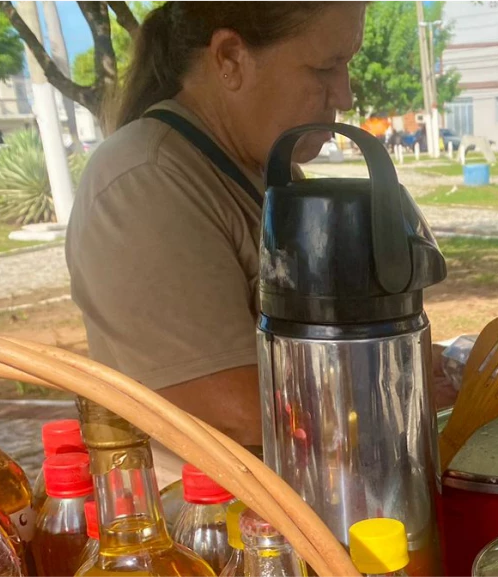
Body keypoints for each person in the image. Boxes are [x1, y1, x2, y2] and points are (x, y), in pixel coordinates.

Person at [65, 0, 365, 481]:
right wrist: (393, 385)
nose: (345, 95)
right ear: (229, 58)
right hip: (206, 534)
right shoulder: (147, 178)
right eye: (327, 67)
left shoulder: (271, 170)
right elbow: (233, 405)